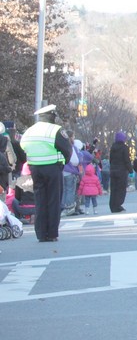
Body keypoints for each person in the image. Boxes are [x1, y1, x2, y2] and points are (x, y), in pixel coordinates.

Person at [21, 104, 74, 242]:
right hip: (52, 168)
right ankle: (51, 233)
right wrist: (63, 162)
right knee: (53, 200)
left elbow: (23, 146)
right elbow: (67, 149)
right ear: (52, 116)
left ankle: (40, 233)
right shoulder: (55, 130)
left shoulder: (29, 131)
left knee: (40, 200)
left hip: (35, 169)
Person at [108, 131, 133, 213]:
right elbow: (127, 160)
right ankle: (118, 205)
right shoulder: (124, 148)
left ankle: (112, 206)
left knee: (114, 188)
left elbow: (110, 159)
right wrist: (130, 170)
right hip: (121, 171)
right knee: (121, 189)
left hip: (113, 171)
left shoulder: (112, 147)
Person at [61, 129, 82, 216]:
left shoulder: (61, 145)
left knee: (64, 190)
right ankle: (69, 207)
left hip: (62, 170)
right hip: (70, 171)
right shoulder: (71, 147)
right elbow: (75, 161)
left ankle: (63, 206)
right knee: (70, 190)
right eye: (73, 136)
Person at [0, 122, 15, 194]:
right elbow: (11, 155)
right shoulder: (5, 140)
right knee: (5, 190)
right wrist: (12, 164)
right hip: (4, 166)